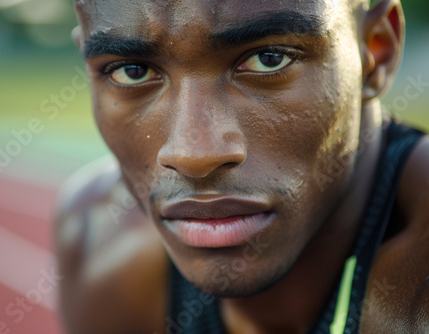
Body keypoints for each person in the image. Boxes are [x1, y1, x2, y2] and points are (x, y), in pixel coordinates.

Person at [55, 0, 429, 333]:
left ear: (376, 49)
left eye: (269, 59)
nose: (194, 156)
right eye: (131, 70)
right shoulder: (96, 244)